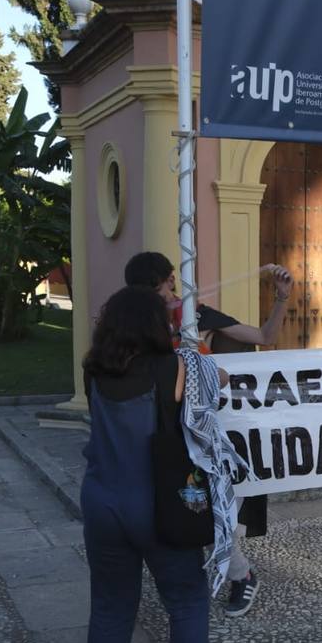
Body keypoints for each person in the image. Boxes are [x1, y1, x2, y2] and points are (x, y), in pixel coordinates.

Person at [80, 286, 220, 643]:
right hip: (160, 502)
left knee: (110, 601)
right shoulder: (176, 366)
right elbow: (218, 387)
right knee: (186, 596)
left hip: (102, 500)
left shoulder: (93, 370)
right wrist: (198, 352)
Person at [122, 251, 290, 616]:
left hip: (205, 431)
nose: (169, 290)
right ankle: (200, 575)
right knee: (176, 509)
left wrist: (281, 297)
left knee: (214, 508)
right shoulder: (132, 325)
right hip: (161, 432)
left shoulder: (193, 314)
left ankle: (241, 576)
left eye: (169, 283)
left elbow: (265, 336)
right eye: (162, 285)